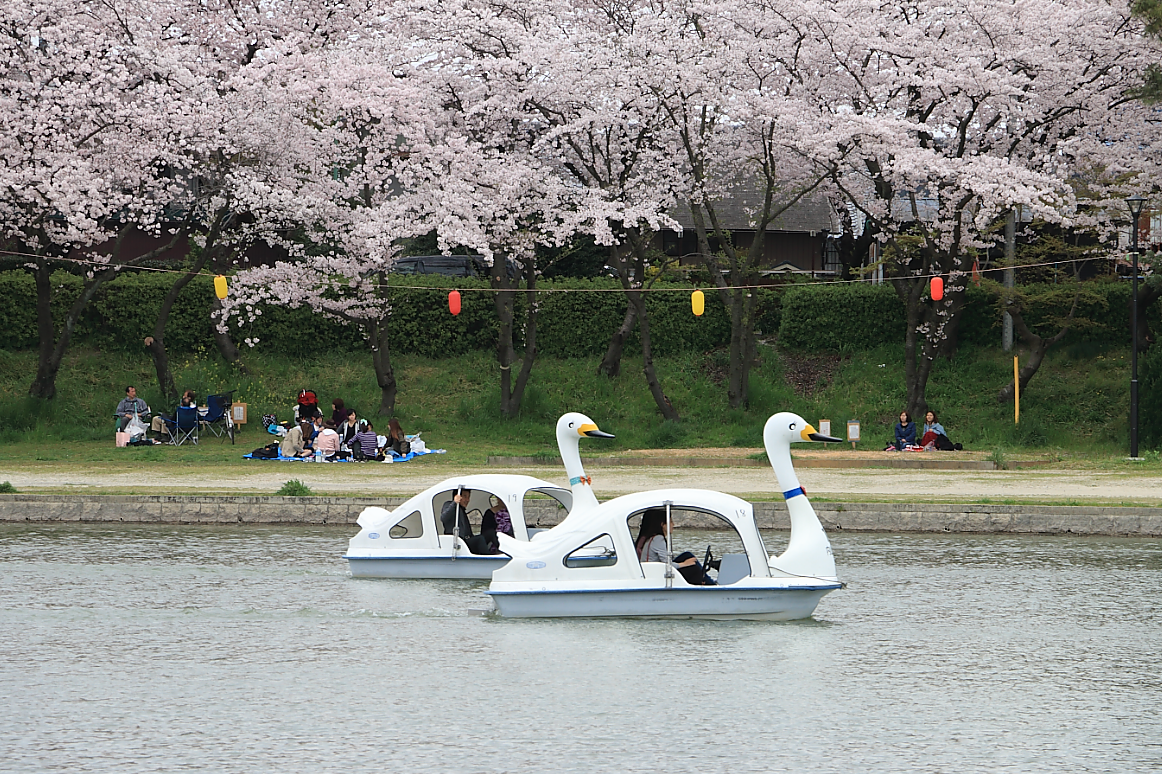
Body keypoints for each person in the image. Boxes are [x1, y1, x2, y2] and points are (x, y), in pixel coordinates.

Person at [633, 508, 715, 585]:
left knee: (687, 555)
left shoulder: (652, 538)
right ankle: (709, 585)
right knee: (695, 569)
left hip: (655, 571)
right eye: (671, 522)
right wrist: (684, 564)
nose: (673, 524)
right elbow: (667, 564)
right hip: (656, 575)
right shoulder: (658, 539)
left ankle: (705, 580)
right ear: (663, 525)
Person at [440, 489, 490, 554]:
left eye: (468, 497)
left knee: (489, 534)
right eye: (465, 496)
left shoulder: (462, 510)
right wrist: (454, 503)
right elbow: (443, 518)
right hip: (458, 542)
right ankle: (488, 560)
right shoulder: (449, 505)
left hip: (466, 541)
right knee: (479, 539)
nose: (467, 500)